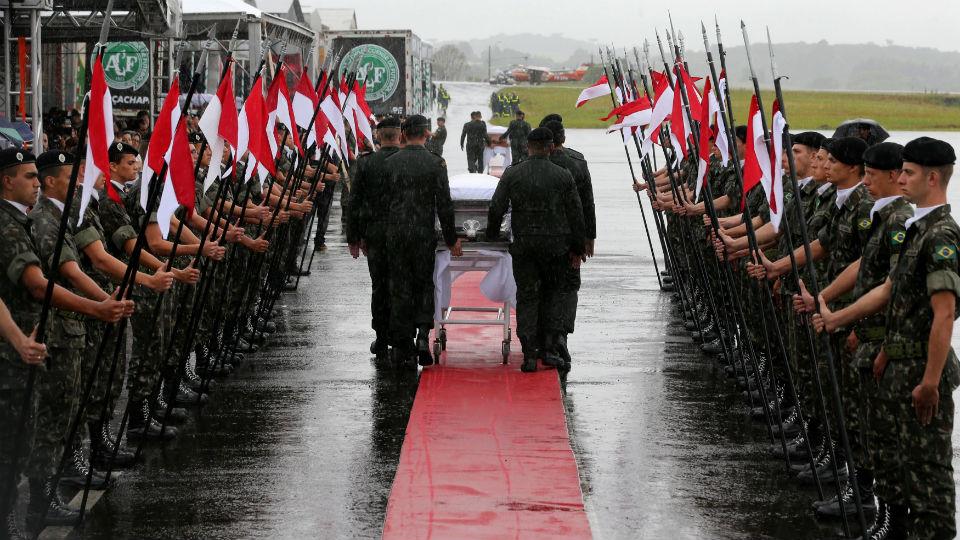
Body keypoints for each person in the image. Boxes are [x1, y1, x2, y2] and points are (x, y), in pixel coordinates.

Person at [811, 137, 959, 540]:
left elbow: (944, 313)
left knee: (929, 479)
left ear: (932, 177)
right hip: (900, 361)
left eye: (908, 172)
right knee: (901, 463)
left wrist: (930, 382)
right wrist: (837, 317)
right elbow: (888, 291)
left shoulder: (941, 234)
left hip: (922, 370)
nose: (901, 178)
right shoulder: (918, 229)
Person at [0, 148, 133, 534]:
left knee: (36, 429)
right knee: (21, 437)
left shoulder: (26, 220)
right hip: (22, 349)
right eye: (28, 177)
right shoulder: (14, 225)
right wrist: (99, 307)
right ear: (7, 181)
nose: (36, 183)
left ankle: (29, 510)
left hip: (30, 344)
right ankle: (20, 516)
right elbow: (40, 285)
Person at [486, 127, 586, 373]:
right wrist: (577, 247)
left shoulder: (513, 174)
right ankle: (550, 349)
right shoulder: (562, 175)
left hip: (526, 245)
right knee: (553, 295)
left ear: (527, 147)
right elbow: (576, 214)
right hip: (556, 247)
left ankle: (529, 353)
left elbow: (496, 208)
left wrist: (491, 236)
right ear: (551, 147)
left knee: (527, 297)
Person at [385, 115, 461, 367]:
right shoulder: (435, 164)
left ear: (404, 135)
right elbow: (445, 205)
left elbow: (380, 203)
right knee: (423, 284)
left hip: (396, 233)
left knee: (399, 285)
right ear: (427, 134)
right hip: (422, 233)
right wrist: (451, 239)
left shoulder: (391, 163)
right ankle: (422, 335)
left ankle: (401, 343)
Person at [348, 116, 404, 362]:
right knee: (402, 286)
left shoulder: (367, 164)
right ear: (399, 135)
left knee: (380, 286)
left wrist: (354, 237)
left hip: (376, 234)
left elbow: (355, 202)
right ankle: (402, 337)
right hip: (404, 232)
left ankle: (382, 336)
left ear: (379, 137)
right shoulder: (407, 161)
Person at [542, 120, 596, 365]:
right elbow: (587, 203)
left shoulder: (538, 161)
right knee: (569, 286)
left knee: (545, 287)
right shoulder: (577, 161)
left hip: (543, 235)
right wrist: (588, 238)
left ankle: (545, 339)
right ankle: (562, 333)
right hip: (571, 236)